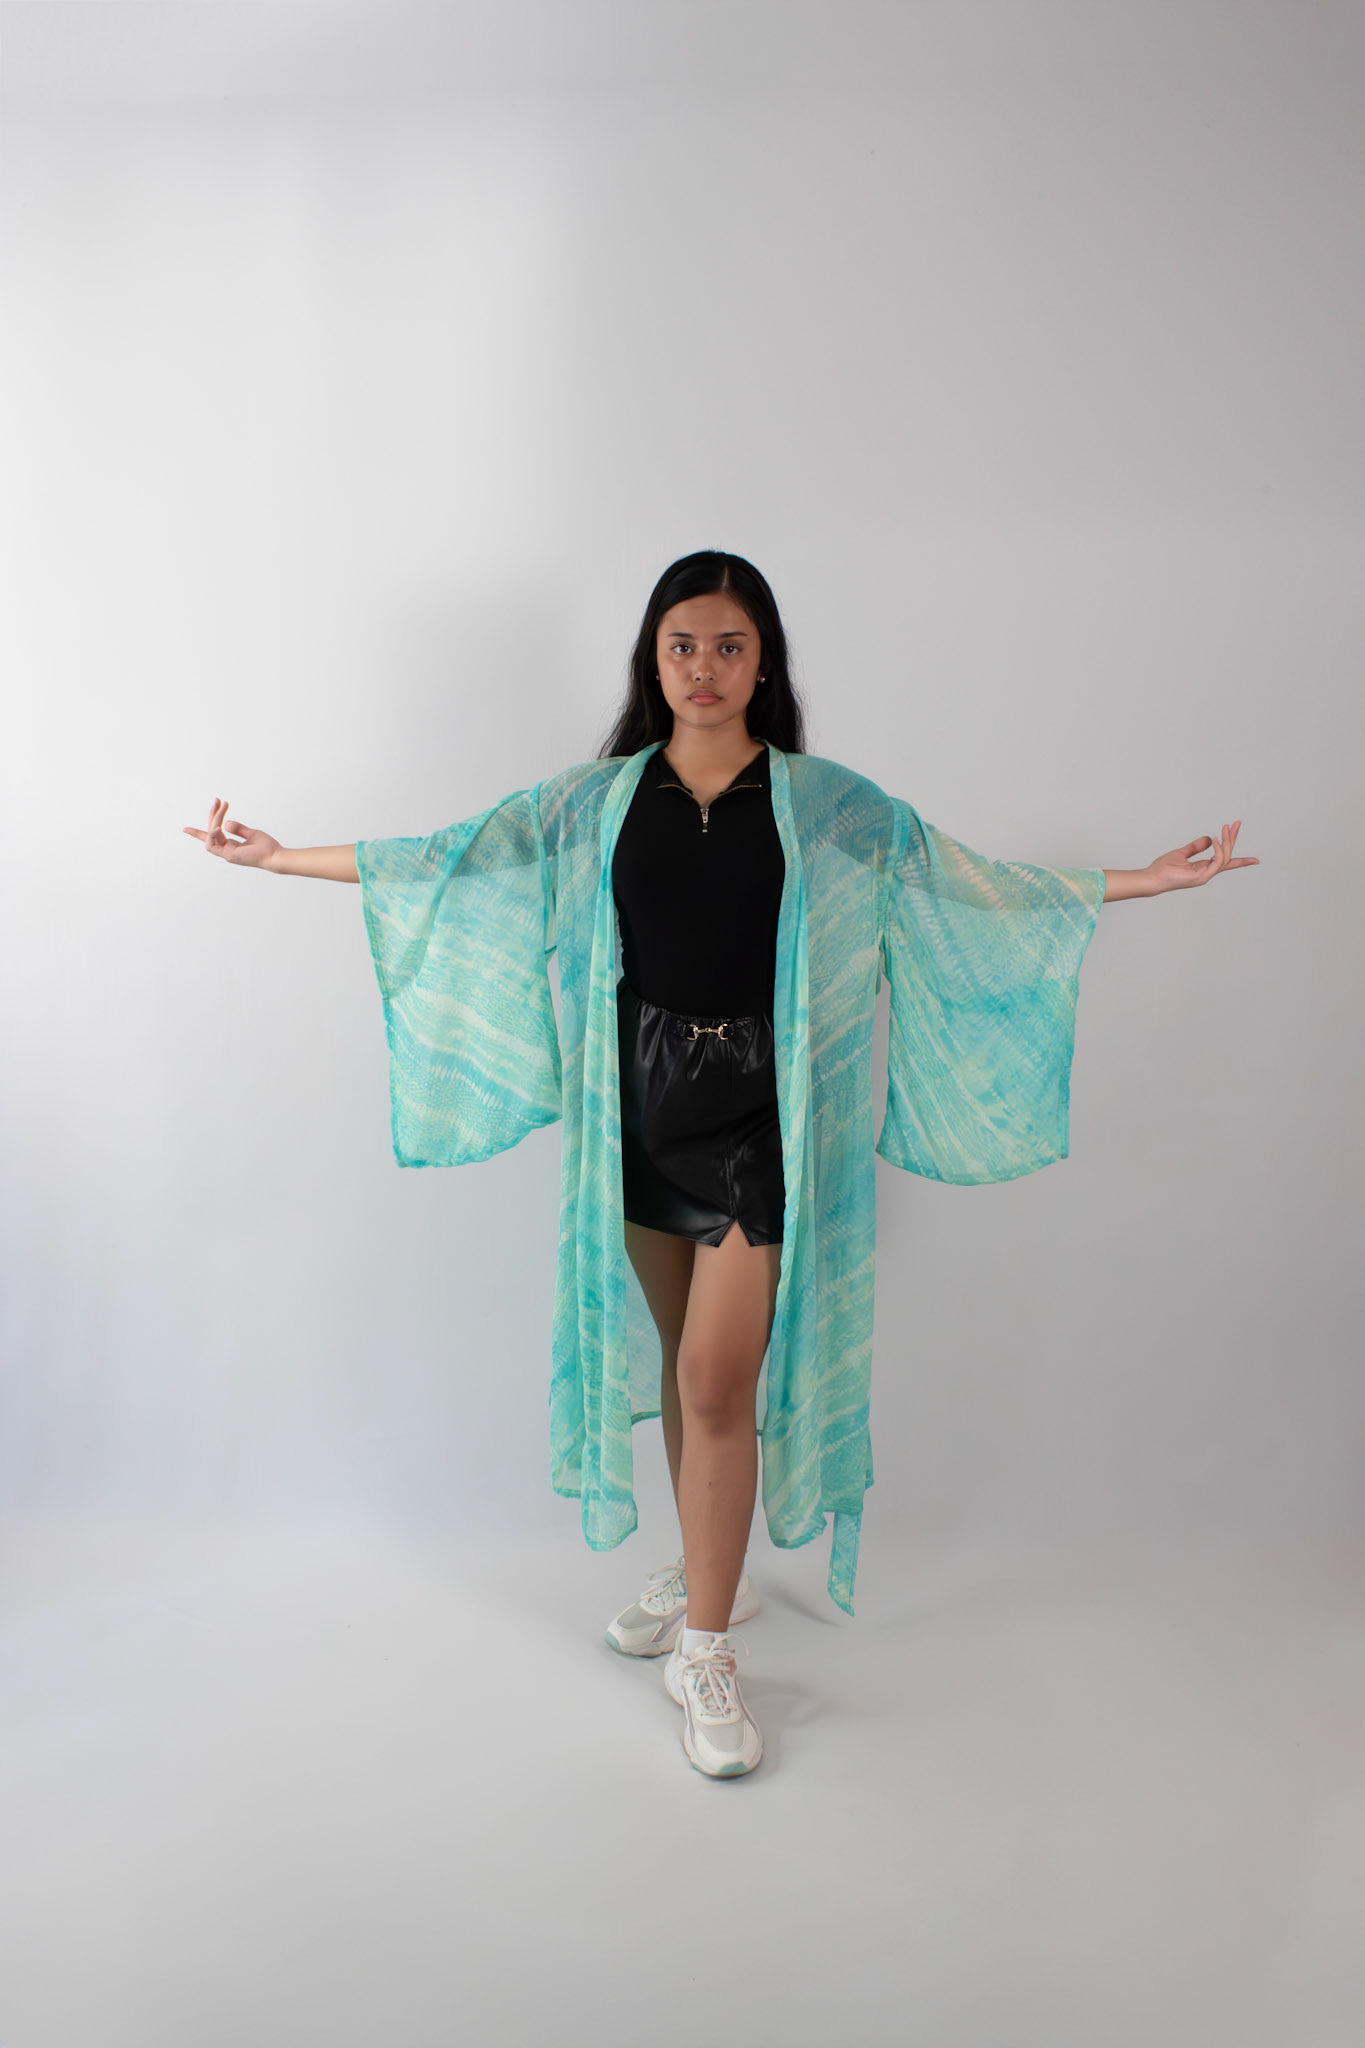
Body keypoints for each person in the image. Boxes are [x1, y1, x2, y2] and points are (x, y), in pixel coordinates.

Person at [184, 549, 1259, 1780]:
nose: (704, 667)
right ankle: (716, 1570)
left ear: (764, 663)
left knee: (713, 1377)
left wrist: (1145, 881)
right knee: (686, 1368)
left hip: (761, 1116)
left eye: (729, 646)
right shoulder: (597, 799)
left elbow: (959, 880)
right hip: (635, 1110)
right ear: (654, 658)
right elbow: (453, 857)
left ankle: (706, 1647)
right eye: (683, 644)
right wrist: (280, 859)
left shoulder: (824, 803)